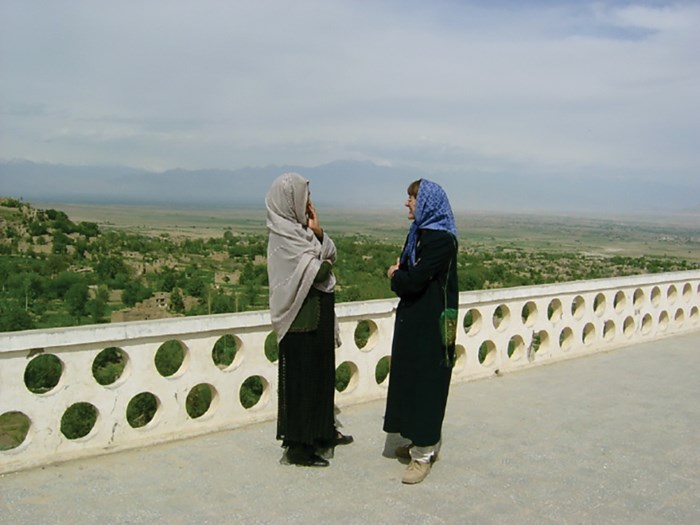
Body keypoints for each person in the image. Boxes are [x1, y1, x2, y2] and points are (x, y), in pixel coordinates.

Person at [265, 172, 353, 467]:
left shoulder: (303, 232)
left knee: (322, 377)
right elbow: (319, 271)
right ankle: (300, 447)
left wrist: (318, 233)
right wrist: (324, 261)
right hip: (299, 322)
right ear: (289, 201)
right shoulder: (283, 235)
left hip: (318, 318)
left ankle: (323, 432)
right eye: (304, 197)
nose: (309, 203)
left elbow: (330, 255)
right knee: (302, 383)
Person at [384, 179, 458, 484]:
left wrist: (395, 274)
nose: (408, 203)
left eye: (412, 198)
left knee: (427, 383)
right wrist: (403, 274)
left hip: (431, 323)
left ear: (427, 202)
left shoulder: (440, 240)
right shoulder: (420, 233)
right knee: (410, 379)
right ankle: (417, 442)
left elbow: (412, 280)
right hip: (415, 319)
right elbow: (410, 274)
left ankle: (424, 454)